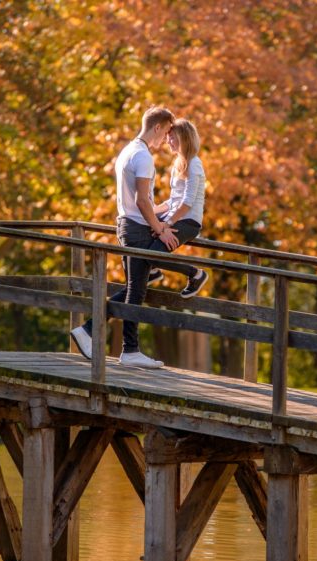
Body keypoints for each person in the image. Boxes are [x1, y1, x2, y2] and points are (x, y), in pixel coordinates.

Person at [70, 106, 178, 369]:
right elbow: (141, 200)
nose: (165, 140)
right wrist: (160, 227)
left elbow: (139, 200)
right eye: (165, 133)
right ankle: (126, 348)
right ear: (156, 127)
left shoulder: (127, 152)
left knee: (136, 286)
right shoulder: (143, 157)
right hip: (138, 228)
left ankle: (95, 334)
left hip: (126, 224)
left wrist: (160, 209)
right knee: (135, 290)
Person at [147, 117, 207, 297]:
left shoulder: (194, 163)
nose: (168, 141)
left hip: (188, 222)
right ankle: (153, 269)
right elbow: (173, 201)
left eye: (172, 137)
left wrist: (167, 223)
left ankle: (195, 274)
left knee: (151, 253)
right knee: (140, 225)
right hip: (174, 216)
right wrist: (150, 211)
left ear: (184, 138)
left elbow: (187, 203)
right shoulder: (178, 164)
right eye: (168, 137)